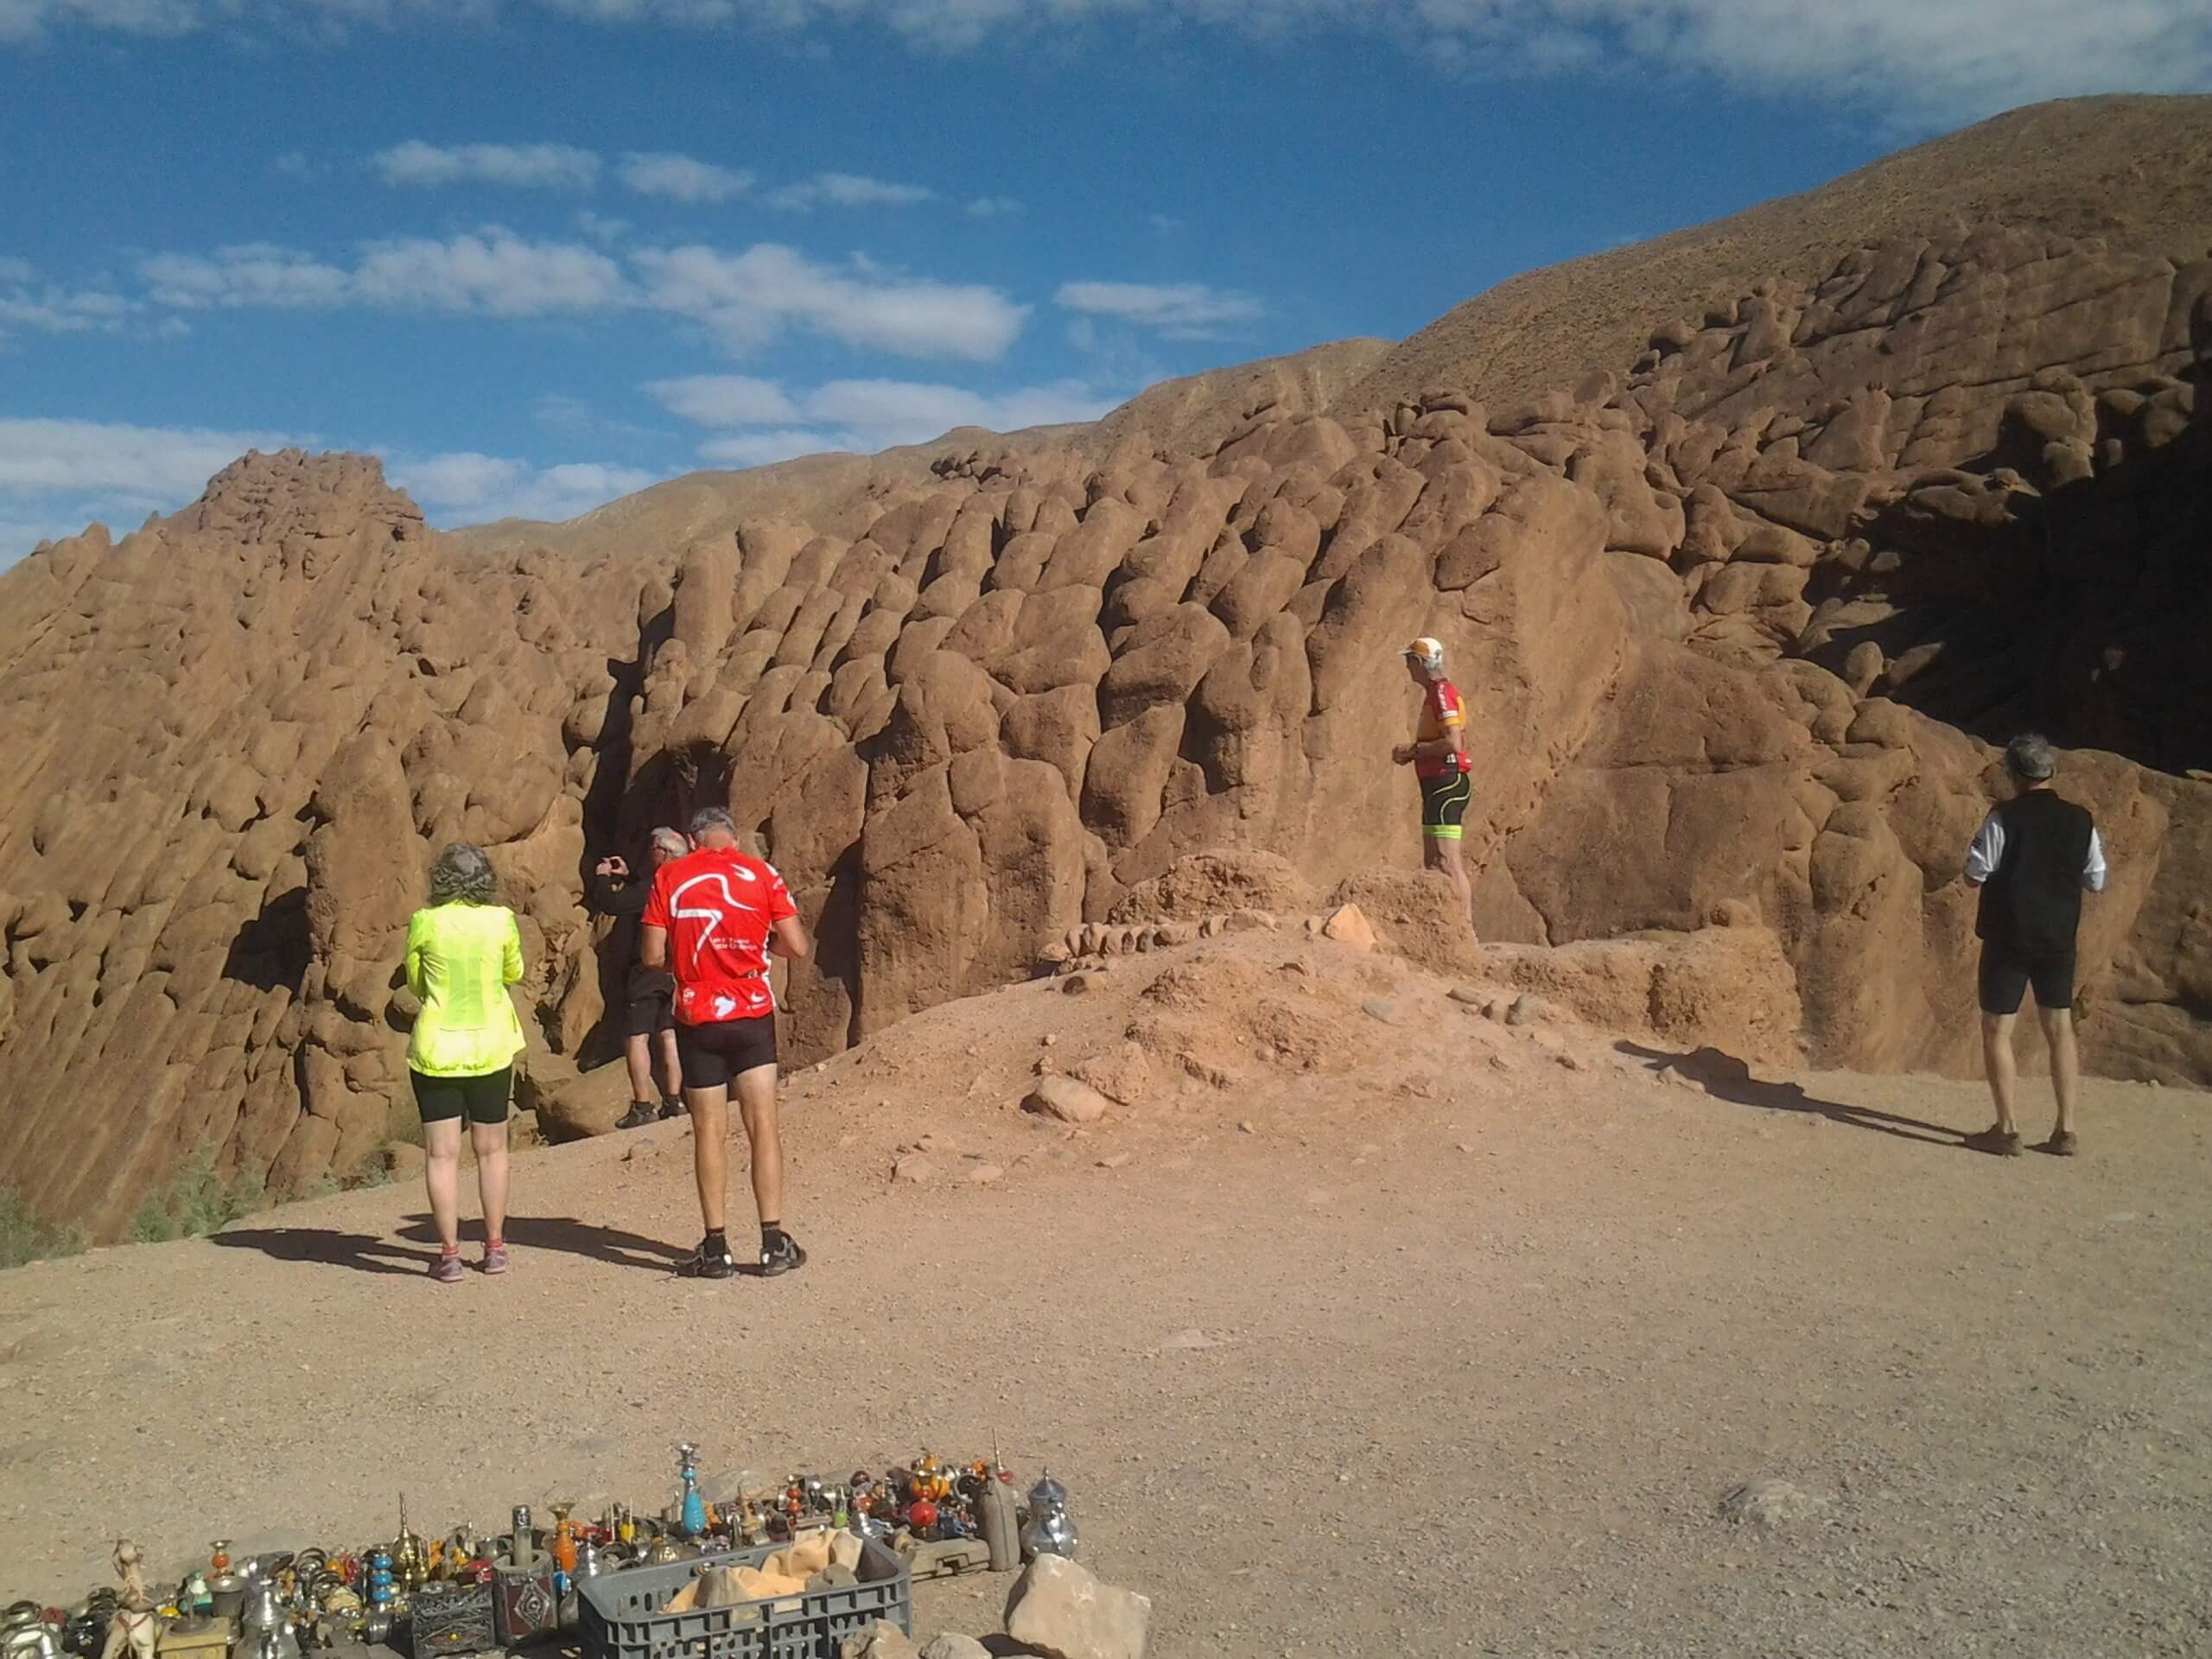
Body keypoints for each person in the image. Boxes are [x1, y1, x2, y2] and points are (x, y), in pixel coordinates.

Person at [640, 806, 810, 1280]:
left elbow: (652, 955)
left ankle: (716, 1248)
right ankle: (773, 1241)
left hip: (697, 1016)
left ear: (693, 842)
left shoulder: (670, 877)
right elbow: (795, 945)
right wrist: (759, 948)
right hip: (752, 1013)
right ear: (732, 839)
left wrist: (686, 961)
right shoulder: (762, 873)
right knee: (763, 1126)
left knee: (709, 1132)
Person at [1962, 734, 2107, 1158]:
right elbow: (2097, 879)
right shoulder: (2081, 819)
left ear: (2012, 773)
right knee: (2060, 1028)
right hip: (2058, 939)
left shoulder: (2003, 817)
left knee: (1997, 1028)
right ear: (2050, 772)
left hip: (2009, 937)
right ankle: (2066, 1129)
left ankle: (2006, 1130)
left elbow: (1976, 872)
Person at [404, 842, 527, 1281]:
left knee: (441, 1155)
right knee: (492, 1150)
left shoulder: (425, 922)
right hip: (491, 1046)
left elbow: (416, 982)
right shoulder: (501, 921)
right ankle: (494, 1248)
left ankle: (450, 1255)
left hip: (437, 1050)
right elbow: (513, 972)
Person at [588, 828, 689, 1129]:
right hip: (677, 969)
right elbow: (639, 896)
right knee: (668, 1035)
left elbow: (614, 904)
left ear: (664, 852)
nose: (649, 853)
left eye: (653, 848)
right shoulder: (684, 883)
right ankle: (674, 1102)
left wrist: (603, 877)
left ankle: (642, 1106)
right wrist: (630, 877)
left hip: (647, 969)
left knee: (637, 1037)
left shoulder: (657, 884)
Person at [1389, 636, 1473, 922]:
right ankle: (1445, 926)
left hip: (1445, 780)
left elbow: (1453, 743)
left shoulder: (1440, 693)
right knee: (1434, 862)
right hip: (1438, 782)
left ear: (1421, 663)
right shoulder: (1437, 692)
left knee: (1446, 860)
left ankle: (1464, 929)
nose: (1407, 667)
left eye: (1409, 660)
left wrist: (1413, 751)